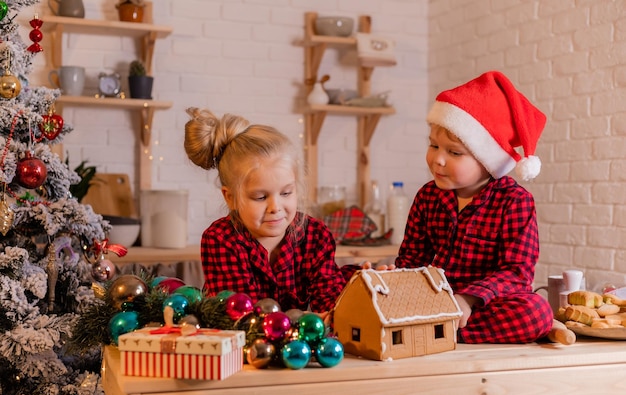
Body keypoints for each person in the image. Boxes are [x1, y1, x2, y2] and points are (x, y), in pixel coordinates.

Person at [394, 71, 553, 344]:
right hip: (434, 299)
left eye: (454, 153)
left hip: (484, 304)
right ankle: (435, 327)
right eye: (433, 145)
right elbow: (411, 261)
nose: (438, 160)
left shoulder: (515, 202)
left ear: (487, 159)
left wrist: (467, 299)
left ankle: (438, 332)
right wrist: (393, 282)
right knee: (355, 278)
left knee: (535, 312)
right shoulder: (427, 197)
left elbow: (517, 273)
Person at [183, 108, 357, 318]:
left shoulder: (315, 235)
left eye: (286, 193)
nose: (276, 207)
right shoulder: (221, 240)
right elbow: (242, 318)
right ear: (230, 198)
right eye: (260, 197)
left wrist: (361, 286)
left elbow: (331, 302)